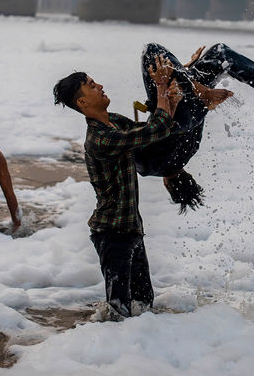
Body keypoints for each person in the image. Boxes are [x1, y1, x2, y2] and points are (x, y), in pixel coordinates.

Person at [53, 56, 182, 319]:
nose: (99, 86)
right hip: (112, 232)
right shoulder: (100, 138)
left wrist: (172, 103)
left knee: (143, 303)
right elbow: (149, 134)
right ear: (82, 102)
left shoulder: (114, 121)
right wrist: (159, 92)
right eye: (91, 85)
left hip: (132, 228)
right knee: (118, 309)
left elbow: (152, 131)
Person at [135, 43, 254, 212]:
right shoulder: (145, 168)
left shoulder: (191, 150)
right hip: (176, 113)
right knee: (152, 51)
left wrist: (187, 72)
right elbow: (131, 140)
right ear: (167, 186)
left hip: (192, 111)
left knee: (220, 55)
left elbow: (196, 118)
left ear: (189, 176)